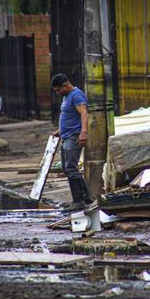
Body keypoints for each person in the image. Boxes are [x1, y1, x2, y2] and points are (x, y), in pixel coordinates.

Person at [51, 73, 92, 213]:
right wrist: (60, 130)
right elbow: (69, 116)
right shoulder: (66, 96)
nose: (57, 93)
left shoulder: (77, 95)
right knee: (67, 167)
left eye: (58, 90)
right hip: (66, 135)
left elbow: (84, 114)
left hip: (74, 137)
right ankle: (86, 197)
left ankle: (78, 201)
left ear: (65, 85)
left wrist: (83, 133)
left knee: (70, 168)